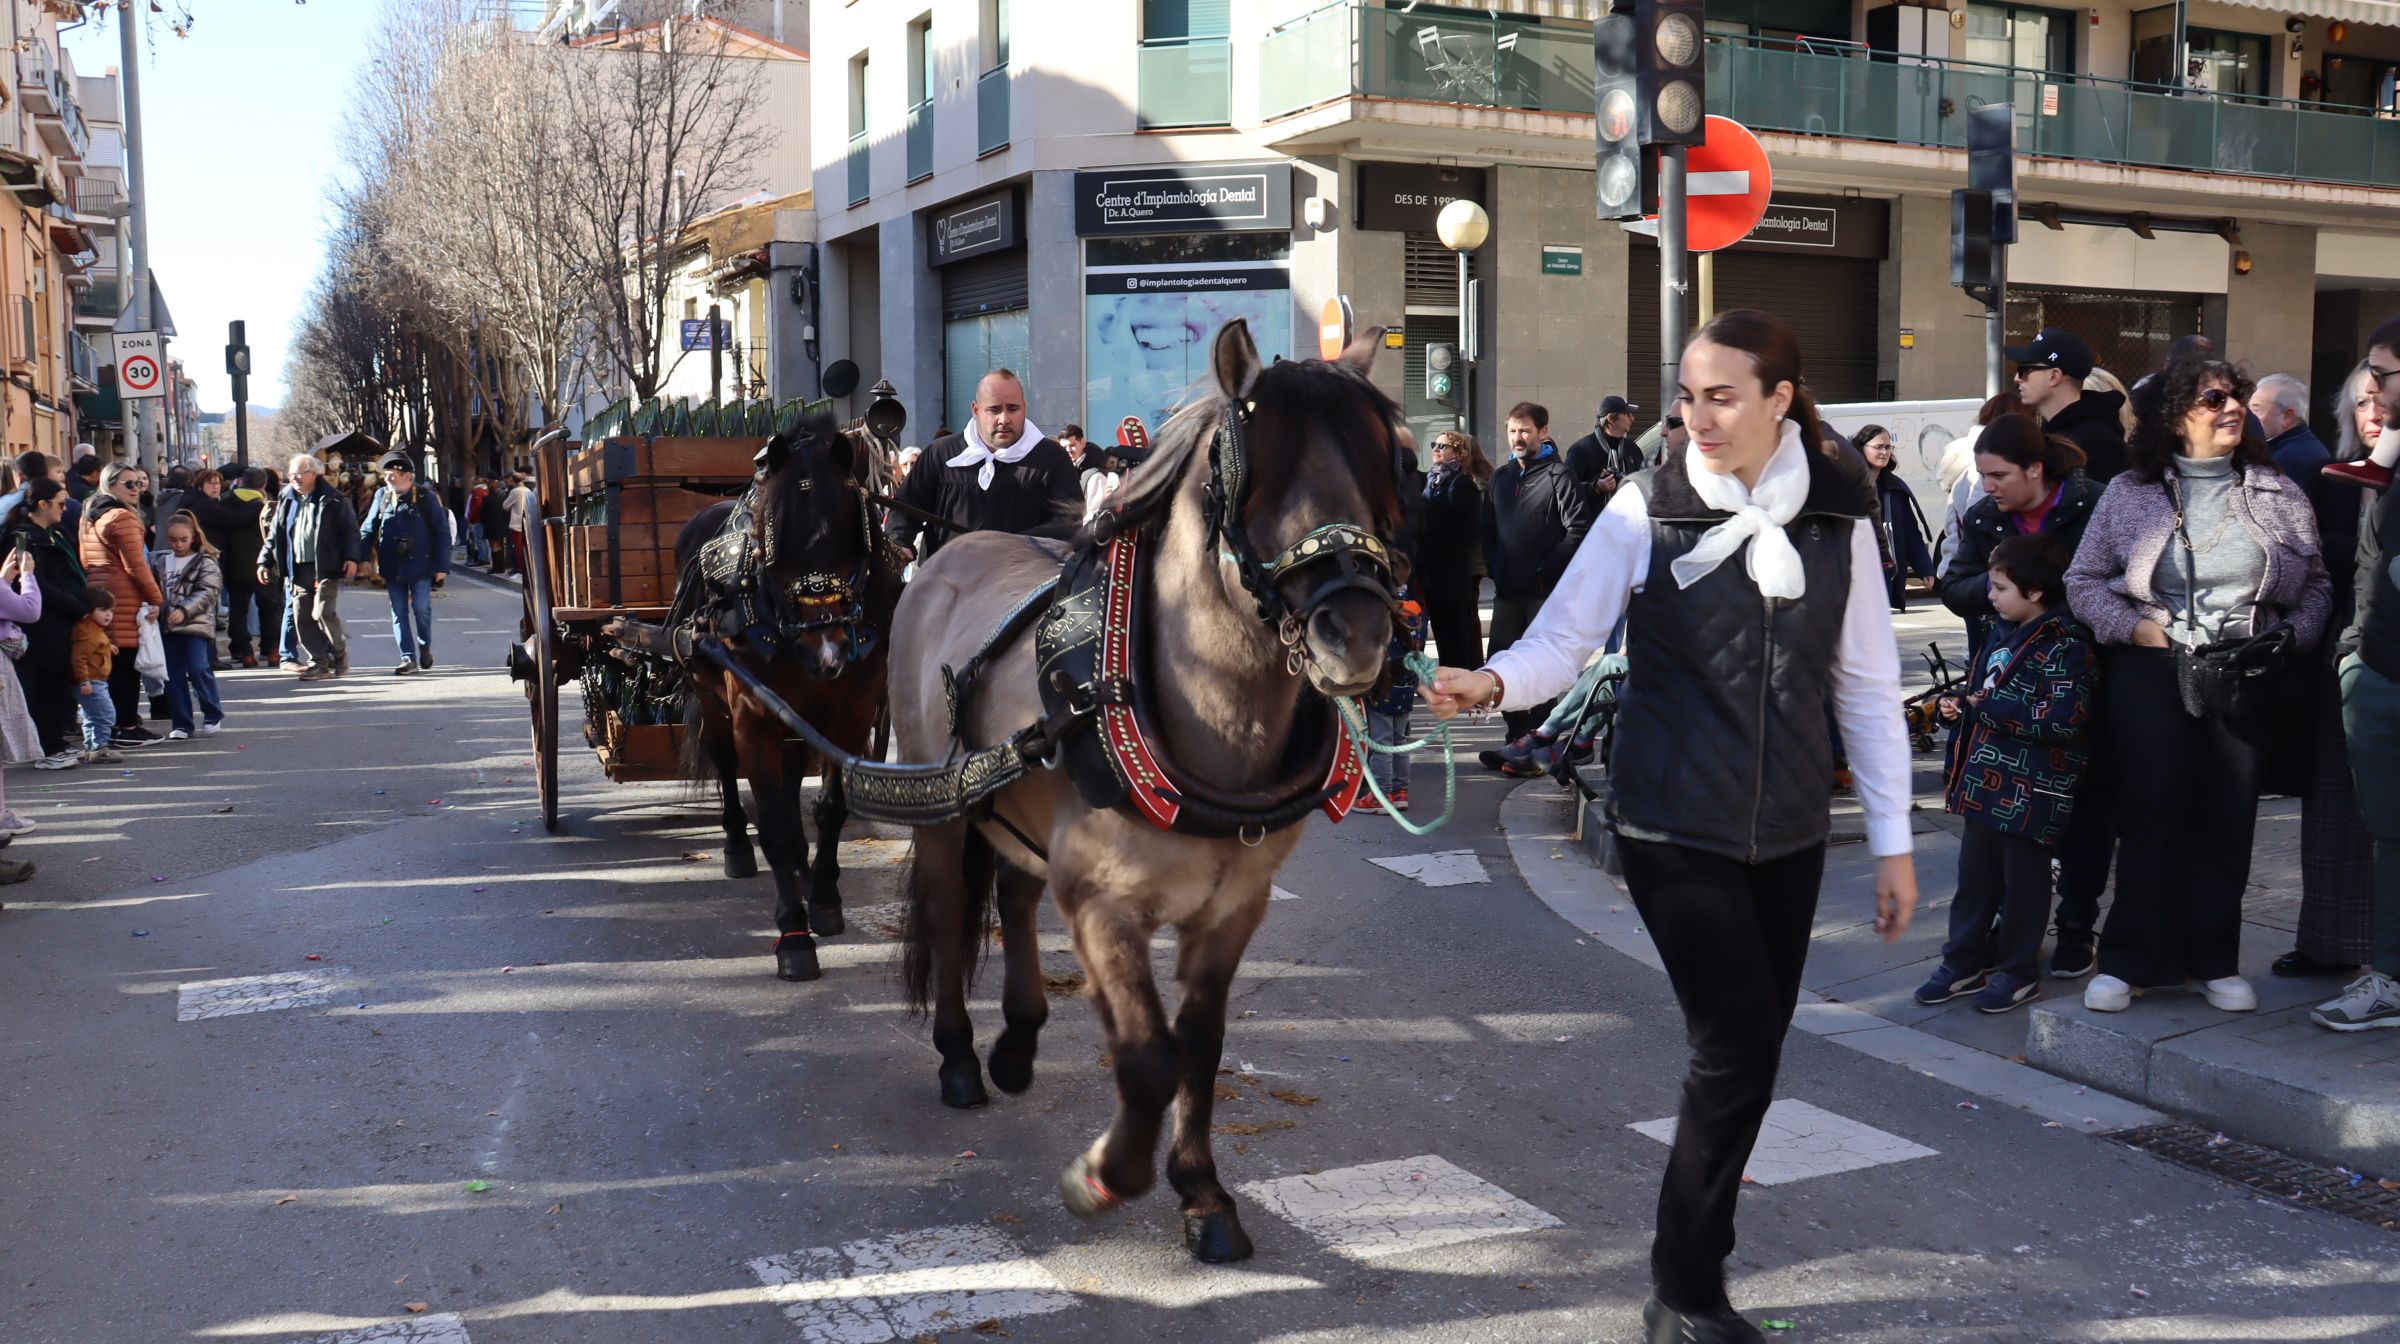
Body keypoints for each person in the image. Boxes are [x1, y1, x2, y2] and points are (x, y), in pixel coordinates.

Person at [1426, 310, 1916, 1344]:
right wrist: (1490, 680)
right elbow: (1565, 635)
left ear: (1781, 400)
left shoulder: (1841, 517)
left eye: (1721, 395)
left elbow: (1868, 685)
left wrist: (1893, 842)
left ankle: (1699, 1265)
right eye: (1686, 395)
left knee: (1756, 1052)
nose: (1695, 416)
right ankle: (1683, 1289)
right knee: (1734, 1046)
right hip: (1668, 822)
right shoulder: (1645, 508)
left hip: (1786, 828)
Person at [2064, 359, 2331, 1014]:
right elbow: (2082, 581)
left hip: (2245, 672)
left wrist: (2288, 637)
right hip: (2152, 670)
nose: (2232, 406)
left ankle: (2213, 960)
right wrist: (2131, 628)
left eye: (2237, 396)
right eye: (2214, 397)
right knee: (2152, 814)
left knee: (2227, 820)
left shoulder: (2277, 491)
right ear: (2175, 415)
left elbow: (2318, 583)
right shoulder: (2130, 492)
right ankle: (2129, 961)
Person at [1917, 533, 2096, 1015]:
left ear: (2035, 591)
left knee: (2025, 886)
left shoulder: (2067, 644)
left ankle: (2018, 970)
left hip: (2033, 790)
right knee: (1974, 878)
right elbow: (1984, 695)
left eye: (1999, 587)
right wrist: (1961, 707)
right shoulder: (2001, 631)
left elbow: (2063, 718)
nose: (1990, 596)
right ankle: (1963, 962)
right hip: (1986, 783)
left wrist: (1985, 706)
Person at [2278, 365, 2384, 982]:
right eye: (2360, 402)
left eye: (2381, 398)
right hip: (2339, 656)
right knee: (2332, 808)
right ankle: (2326, 942)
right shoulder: (2335, 477)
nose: (2372, 411)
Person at [2315, 320, 2400, 1030]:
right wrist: (2354, 658)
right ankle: (2392, 976)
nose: (2371, 388)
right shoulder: (2385, 457)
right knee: (2389, 832)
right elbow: (2370, 566)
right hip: (2376, 668)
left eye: (2383, 373)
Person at [1477, 401, 1593, 741]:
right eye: (1512, 431)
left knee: (1541, 665)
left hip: (1545, 593)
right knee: (1502, 660)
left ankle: (1540, 738)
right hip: (1508, 592)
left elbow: (1579, 529)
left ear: (1543, 432)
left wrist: (1546, 567)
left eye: (1525, 430)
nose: (1518, 437)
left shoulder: (1560, 476)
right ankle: (1514, 735)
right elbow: (1485, 528)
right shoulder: (1500, 478)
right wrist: (1495, 565)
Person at [894, 369, 1081, 561]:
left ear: (1024, 408)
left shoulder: (1052, 457)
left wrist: (1012, 544)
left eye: (1013, 409)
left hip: (1023, 582)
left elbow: (1068, 523)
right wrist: (900, 541)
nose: (1004, 419)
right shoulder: (940, 453)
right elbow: (906, 507)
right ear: (976, 410)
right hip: (947, 580)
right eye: (994, 409)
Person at [79, 462, 163, 746]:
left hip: (98, 593)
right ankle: (125, 726)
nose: (136, 489)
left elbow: (85, 559)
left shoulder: (91, 514)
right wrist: (156, 598)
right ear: (110, 484)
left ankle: (113, 724)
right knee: (126, 664)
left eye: (138, 483)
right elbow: (137, 566)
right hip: (123, 597)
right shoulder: (122, 518)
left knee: (109, 662)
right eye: (128, 484)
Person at [261, 453, 362, 683]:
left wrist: (351, 558)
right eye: (291, 474)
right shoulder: (287, 497)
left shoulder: (334, 499)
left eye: (299, 473)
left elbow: (350, 531)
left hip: (326, 567)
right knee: (302, 616)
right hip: (297, 567)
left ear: (313, 474)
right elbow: (275, 533)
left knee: (323, 612)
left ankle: (339, 652)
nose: (294, 478)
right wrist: (264, 560)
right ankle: (319, 663)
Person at [11, 481, 87, 769]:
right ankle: (48, 747)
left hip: (60, 618)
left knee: (57, 683)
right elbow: (33, 582)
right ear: (42, 504)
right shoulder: (23, 538)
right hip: (40, 621)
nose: (65, 509)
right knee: (44, 685)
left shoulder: (56, 533)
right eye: (60, 503)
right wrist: (74, 605)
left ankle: (55, 742)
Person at [362, 452, 451, 674]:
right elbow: (368, 527)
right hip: (392, 566)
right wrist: (363, 558)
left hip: (421, 565)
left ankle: (425, 647)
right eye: (387, 476)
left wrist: (442, 566)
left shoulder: (425, 497)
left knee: (421, 609)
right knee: (398, 612)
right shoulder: (382, 496)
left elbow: (442, 532)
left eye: (392, 476)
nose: (388, 480)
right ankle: (407, 658)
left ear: (408, 477)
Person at [2005, 328, 2127, 482]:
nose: (2017, 378)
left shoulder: (2094, 439)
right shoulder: (2056, 431)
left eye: (2025, 370)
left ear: (2054, 376)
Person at [1416, 430, 1491, 669]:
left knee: (1457, 636)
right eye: (1434, 444)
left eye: (1443, 446)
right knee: (1441, 634)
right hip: (1432, 573)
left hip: (1452, 573)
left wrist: (1434, 542)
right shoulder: (1431, 480)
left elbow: (1467, 530)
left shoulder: (1461, 483)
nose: (1436, 449)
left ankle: (1462, 685)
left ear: (1459, 453)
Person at [1356, 571, 1427, 816]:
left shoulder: (1380, 615)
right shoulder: (1415, 611)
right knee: (1400, 741)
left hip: (1383, 686)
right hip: (1406, 685)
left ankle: (1381, 794)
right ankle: (1400, 791)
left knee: (1382, 744)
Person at [151, 514, 224, 741]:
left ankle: (212, 714)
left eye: (183, 539)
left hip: (195, 626)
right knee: (171, 676)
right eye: (173, 540)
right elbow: (154, 591)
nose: (178, 545)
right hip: (167, 627)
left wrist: (183, 610)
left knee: (197, 668)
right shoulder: (161, 562)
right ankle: (182, 722)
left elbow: (207, 592)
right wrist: (156, 609)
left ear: (193, 536)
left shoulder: (206, 562)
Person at [1853, 425, 1936, 611]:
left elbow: (1909, 531)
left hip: (1886, 570)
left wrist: (1924, 568)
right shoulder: (1848, 484)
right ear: (1861, 447)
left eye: (1888, 447)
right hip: (1855, 572)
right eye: (1878, 447)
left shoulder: (1894, 488)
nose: (1884, 452)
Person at [69, 585, 117, 765]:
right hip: (91, 681)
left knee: (91, 715)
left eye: (111, 610)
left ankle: (91, 747)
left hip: (96, 680)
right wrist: (84, 681)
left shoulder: (94, 628)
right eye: (103, 610)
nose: (108, 614)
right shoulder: (86, 631)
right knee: (106, 714)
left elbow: (96, 645)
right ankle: (100, 748)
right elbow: (79, 658)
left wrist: (107, 648)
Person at [1564, 395, 1643, 501]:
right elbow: (1566, 490)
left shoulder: (1632, 449)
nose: (1633, 418)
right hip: (1594, 517)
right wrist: (1596, 487)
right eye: (1627, 414)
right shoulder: (1580, 450)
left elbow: (1643, 482)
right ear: (1611, 418)